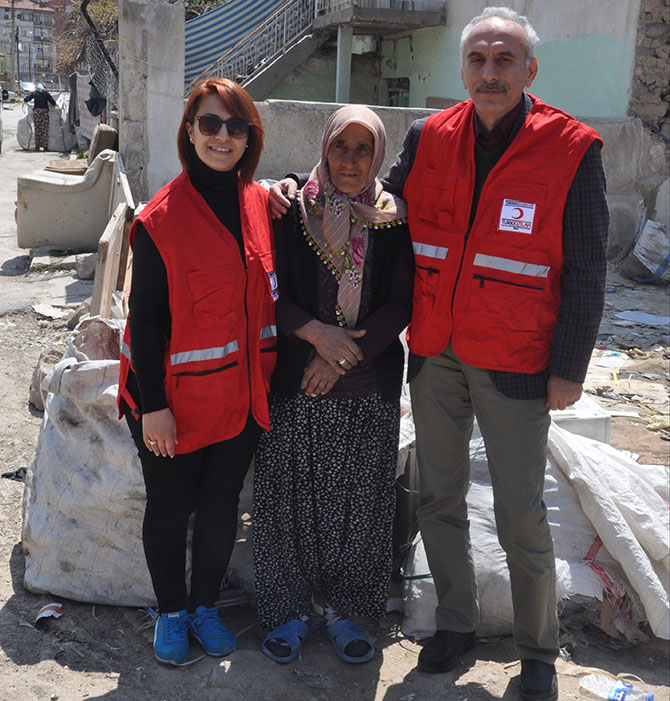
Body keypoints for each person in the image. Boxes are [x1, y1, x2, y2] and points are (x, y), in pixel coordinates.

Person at [270, 8, 608, 698]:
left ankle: (538, 653)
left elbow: (587, 268)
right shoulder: (431, 136)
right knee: (439, 499)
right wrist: (276, 188)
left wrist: (570, 366)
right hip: (436, 353)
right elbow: (369, 196)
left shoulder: (571, 147)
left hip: (517, 360)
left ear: (529, 70)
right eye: (478, 59)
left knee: (520, 512)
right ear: (463, 69)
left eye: (504, 60)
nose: (489, 72)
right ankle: (453, 626)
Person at [117, 78, 277, 666]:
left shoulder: (260, 205)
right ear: (189, 130)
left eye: (236, 127)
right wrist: (153, 405)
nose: (223, 137)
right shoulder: (161, 220)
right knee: (169, 509)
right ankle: (172, 613)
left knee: (220, 508)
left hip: (241, 400)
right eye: (210, 124)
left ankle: (206, 607)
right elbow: (147, 323)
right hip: (174, 407)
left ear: (249, 137)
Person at [254, 105, 413, 665]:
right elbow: (267, 287)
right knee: (287, 503)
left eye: (362, 149)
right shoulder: (289, 209)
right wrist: (316, 333)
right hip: (297, 380)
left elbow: (401, 301)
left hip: (365, 384)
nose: (349, 160)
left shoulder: (393, 218)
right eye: (340, 148)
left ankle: (348, 611)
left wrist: (343, 355)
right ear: (324, 148)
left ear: (377, 156)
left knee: (362, 506)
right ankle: (288, 610)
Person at [23, 83, 56, 151]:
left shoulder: (34, 93)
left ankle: (37, 147)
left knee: (37, 129)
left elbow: (26, 99)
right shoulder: (46, 93)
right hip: (44, 112)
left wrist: (25, 99)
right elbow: (53, 102)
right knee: (45, 130)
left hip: (37, 113)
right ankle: (45, 147)